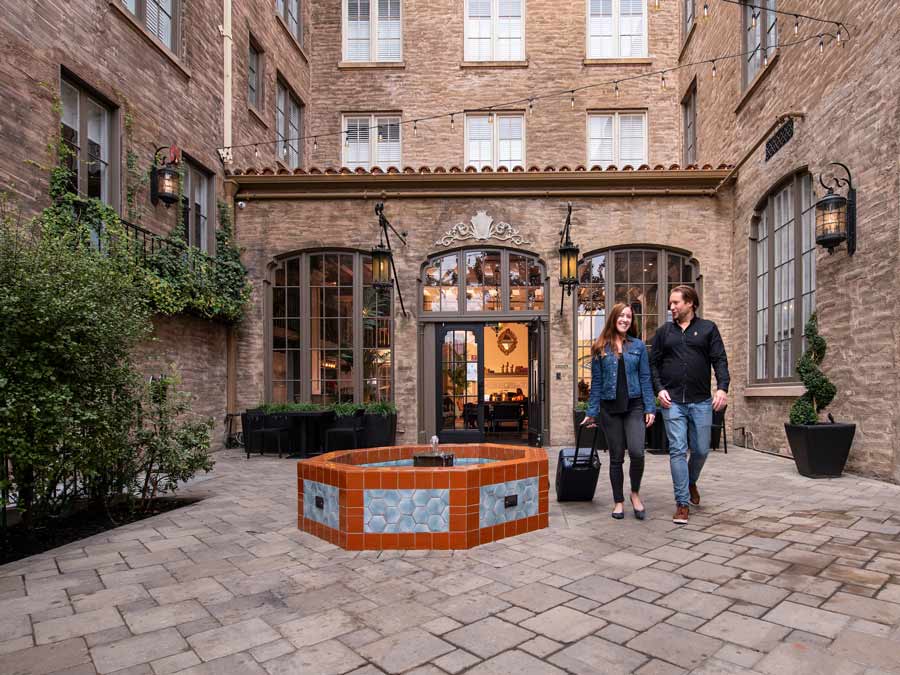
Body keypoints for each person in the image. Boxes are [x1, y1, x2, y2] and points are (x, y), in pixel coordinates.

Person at [649, 285, 729, 525]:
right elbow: (653, 365)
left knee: (702, 449)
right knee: (677, 449)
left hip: (701, 401)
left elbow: (719, 360)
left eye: (675, 303)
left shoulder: (708, 329)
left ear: (690, 303)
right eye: (670, 303)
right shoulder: (664, 333)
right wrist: (659, 389)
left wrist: (722, 388)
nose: (671, 307)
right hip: (672, 401)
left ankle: (691, 480)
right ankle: (682, 503)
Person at [582, 304, 656, 520]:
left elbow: (645, 378)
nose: (625, 319)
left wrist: (650, 407)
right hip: (610, 409)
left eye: (629, 316)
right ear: (614, 318)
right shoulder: (600, 347)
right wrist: (591, 411)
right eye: (621, 315)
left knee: (637, 452)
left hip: (634, 406)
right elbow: (596, 383)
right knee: (616, 457)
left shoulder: (639, 346)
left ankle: (634, 493)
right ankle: (618, 501)